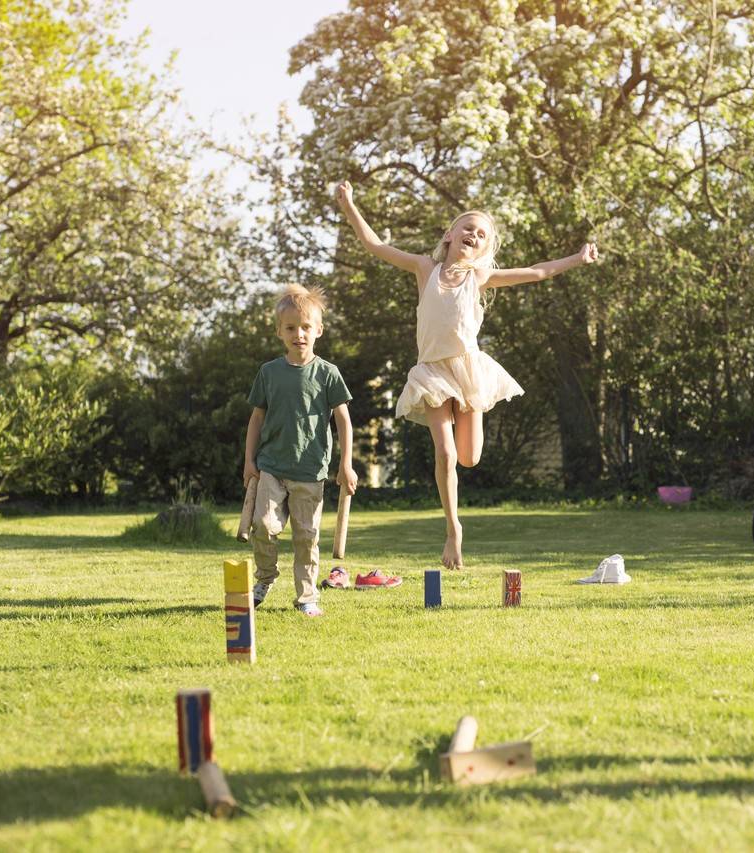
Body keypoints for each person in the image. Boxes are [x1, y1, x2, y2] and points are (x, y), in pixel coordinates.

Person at [336, 180, 599, 569]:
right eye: (468, 228)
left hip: (469, 370)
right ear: (449, 235)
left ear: (484, 249)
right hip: (432, 372)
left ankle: (462, 452)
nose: (473, 234)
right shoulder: (425, 268)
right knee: (445, 453)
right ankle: (453, 528)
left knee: (469, 458)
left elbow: (537, 272)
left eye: (482, 234)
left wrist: (576, 259)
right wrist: (348, 205)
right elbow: (375, 246)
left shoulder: (478, 277)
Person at [243, 284, 390, 618]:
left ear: (318, 330)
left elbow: (344, 421)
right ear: (279, 331)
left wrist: (346, 465)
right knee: (263, 526)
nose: (299, 334)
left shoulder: (328, 374)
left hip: (310, 470)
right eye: (291, 328)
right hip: (270, 466)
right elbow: (256, 419)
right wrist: (249, 461)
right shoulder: (268, 373)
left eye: (306, 327)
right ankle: (264, 579)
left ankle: (307, 596)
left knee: (306, 537)